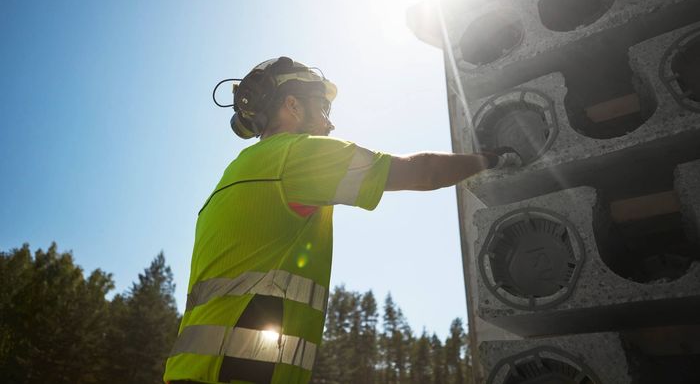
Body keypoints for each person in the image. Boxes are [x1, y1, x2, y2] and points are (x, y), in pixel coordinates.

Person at [163, 57, 520, 384]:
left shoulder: (233, 175)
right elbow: (421, 172)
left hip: (193, 372)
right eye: (322, 107)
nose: (330, 123)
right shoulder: (296, 155)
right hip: (240, 373)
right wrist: (490, 160)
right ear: (292, 104)